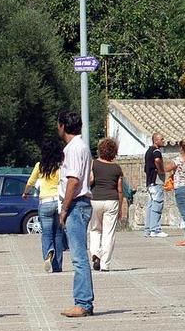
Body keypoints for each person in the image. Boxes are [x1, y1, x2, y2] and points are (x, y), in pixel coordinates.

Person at [57, 111, 94, 317]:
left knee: (78, 256)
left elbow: (73, 180)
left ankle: (83, 302)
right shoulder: (81, 147)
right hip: (81, 203)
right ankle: (83, 300)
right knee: (79, 255)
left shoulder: (73, 149)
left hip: (76, 204)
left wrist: (64, 208)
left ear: (62, 125)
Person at [22, 139, 66, 273]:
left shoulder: (40, 166)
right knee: (58, 233)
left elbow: (31, 181)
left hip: (45, 202)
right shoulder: (61, 166)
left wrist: (25, 193)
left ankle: (48, 252)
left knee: (46, 233)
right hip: (58, 201)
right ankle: (57, 265)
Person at [89, 138, 123, 271]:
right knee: (109, 233)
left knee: (94, 229)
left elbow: (90, 181)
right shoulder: (117, 168)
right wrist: (120, 207)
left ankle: (95, 253)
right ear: (114, 152)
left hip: (95, 199)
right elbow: (119, 189)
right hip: (112, 200)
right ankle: (105, 264)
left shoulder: (93, 164)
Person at [143, 133, 169, 238]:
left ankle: (148, 229)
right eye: (161, 139)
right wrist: (161, 170)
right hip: (156, 181)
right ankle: (155, 229)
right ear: (156, 141)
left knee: (150, 205)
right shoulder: (156, 151)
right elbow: (157, 160)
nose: (163, 141)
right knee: (157, 204)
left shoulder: (148, 151)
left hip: (150, 182)